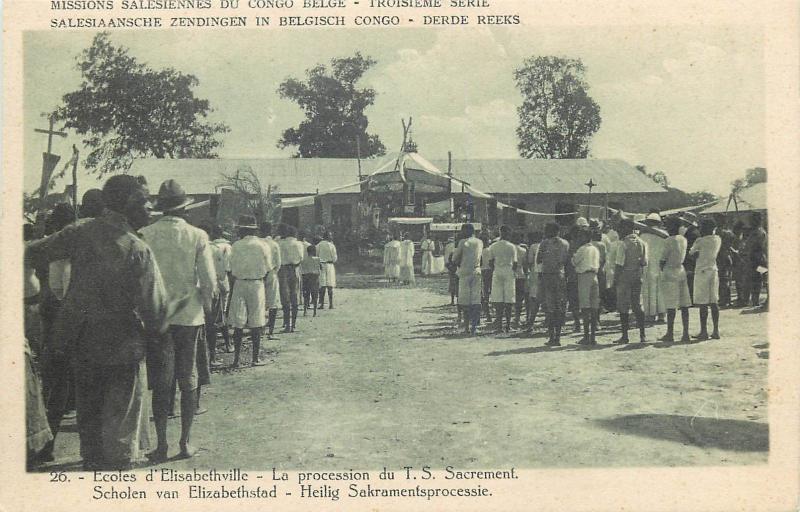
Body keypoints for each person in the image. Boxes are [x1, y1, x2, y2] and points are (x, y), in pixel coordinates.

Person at [25, 175, 170, 470]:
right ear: (129, 204)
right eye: (144, 202)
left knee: (89, 432)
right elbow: (156, 311)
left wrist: (39, 300)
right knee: (120, 438)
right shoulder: (137, 249)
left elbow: (31, 252)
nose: (149, 209)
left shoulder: (79, 233)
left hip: (82, 344)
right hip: (123, 348)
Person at [140, 179, 216, 462]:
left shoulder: (145, 234)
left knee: (161, 381)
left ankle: (161, 444)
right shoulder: (197, 236)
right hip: (188, 315)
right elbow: (208, 281)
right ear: (184, 208)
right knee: (188, 378)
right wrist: (207, 309)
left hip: (158, 317)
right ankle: (185, 442)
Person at [228, 215, 272, 366]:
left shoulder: (235, 245)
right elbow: (268, 268)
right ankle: (255, 358)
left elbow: (230, 268)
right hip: (256, 284)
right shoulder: (263, 245)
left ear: (242, 230)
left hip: (239, 284)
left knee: (238, 323)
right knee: (256, 321)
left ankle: (236, 360)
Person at [613, 218, 648, 344]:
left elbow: (619, 264)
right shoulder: (642, 243)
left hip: (624, 277)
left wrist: (615, 280)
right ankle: (642, 335)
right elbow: (644, 262)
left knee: (623, 306)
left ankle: (625, 336)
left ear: (625, 228)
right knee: (637, 305)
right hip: (637, 276)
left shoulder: (623, 244)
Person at [659, 216, 692, 342]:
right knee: (684, 304)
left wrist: (662, 268)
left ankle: (670, 333)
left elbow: (662, 259)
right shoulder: (683, 239)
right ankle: (685, 333)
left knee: (671, 305)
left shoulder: (668, 240)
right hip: (681, 270)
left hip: (670, 270)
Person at [689, 218, 722, 340]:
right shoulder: (717, 239)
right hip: (713, 270)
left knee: (703, 303)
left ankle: (704, 331)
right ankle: (716, 330)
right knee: (714, 302)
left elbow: (691, 253)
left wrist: (696, 254)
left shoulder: (700, 240)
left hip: (702, 272)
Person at [537, 223, 570, 346]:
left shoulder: (544, 243)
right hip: (560, 276)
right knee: (560, 306)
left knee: (550, 307)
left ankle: (552, 337)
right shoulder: (565, 243)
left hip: (548, 276)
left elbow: (539, 260)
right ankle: (558, 337)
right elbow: (567, 261)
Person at [204, 223, 232, 360]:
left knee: (213, 318)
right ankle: (227, 344)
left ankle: (215, 350)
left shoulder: (211, 247)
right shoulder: (225, 247)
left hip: (208, 285)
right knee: (220, 315)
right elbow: (227, 269)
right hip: (221, 283)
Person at [452, 224, 484, 334]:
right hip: (477, 271)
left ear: (467, 231)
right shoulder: (480, 242)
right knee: (476, 301)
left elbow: (454, 259)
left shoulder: (462, 242)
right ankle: (474, 327)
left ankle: (466, 327)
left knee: (465, 301)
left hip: (465, 272)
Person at [571, 229, 601, 345]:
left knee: (585, 307)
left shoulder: (582, 249)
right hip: (594, 276)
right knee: (594, 308)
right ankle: (593, 336)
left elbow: (574, 262)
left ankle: (586, 336)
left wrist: (573, 255)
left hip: (584, 277)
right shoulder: (595, 249)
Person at [487, 225, 518, 333]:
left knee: (498, 299)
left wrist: (496, 269)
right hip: (508, 271)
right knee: (509, 299)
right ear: (508, 234)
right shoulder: (512, 246)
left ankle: (499, 325)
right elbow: (515, 263)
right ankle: (508, 325)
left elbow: (490, 262)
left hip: (497, 271)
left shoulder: (493, 246)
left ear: (500, 233)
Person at [640, 213, 666, 322]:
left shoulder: (642, 236)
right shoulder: (664, 235)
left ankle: (650, 315)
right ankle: (661, 315)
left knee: (648, 290)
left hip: (647, 266)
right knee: (660, 290)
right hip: (660, 266)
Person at [277, 224, 304, 332]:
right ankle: (294, 325)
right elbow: (301, 258)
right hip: (295, 269)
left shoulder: (280, 244)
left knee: (285, 298)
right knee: (295, 296)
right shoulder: (299, 244)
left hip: (283, 270)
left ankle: (287, 324)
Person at [260, 223, 282, 338]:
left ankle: (261, 330)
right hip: (271, 273)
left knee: (260, 302)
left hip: (258, 275)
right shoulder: (274, 244)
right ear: (271, 231)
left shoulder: (258, 243)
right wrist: (273, 272)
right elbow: (278, 263)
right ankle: (271, 331)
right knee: (273, 303)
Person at [744, 212, 768, 307]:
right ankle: (755, 300)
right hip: (756, 258)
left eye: (752, 220)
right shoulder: (756, 231)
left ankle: (756, 300)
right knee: (756, 279)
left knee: (758, 279)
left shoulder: (758, 232)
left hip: (758, 259)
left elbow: (755, 245)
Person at [525, 231, 543, 331]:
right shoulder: (545, 245)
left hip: (535, 272)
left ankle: (531, 320)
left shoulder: (533, 247)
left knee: (534, 297)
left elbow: (530, 261)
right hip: (544, 272)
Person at [316, 231, 338, 309]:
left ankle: (321, 304)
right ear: (328, 236)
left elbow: (316, 256)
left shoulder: (318, 245)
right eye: (330, 235)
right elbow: (335, 258)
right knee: (330, 285)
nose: (331, 237)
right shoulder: (331, 245)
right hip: (329, 265)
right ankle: (331, 304)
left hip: (321, 265)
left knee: (322, 285)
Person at [717, 226, 736, 308]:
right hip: (728, 258)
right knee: (727, 280)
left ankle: (723, 299)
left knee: (723, 280)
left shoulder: (722, 247)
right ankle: (727, 299)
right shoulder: (729, 247)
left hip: (722, 259)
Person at [301, 245, 321, 316]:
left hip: (306, 278)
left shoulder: (303, 260)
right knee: (315, 295)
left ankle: (305, 311)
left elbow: (302, 270)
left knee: (306, 295)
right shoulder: (317, 259)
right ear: (314, 251)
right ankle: (314, 312)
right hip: (314, 278)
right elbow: (320, 268)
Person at [513, 235, 528, 327]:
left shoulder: (510, 249)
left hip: (511, 274)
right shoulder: (523, 250)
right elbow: (525, 265)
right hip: (520, 274)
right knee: (519, 298)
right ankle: (517, 318)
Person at [480, 233, 494, 323]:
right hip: (490, 271)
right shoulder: (490, 250)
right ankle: (491, 310)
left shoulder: (480, 251)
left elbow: (480, 263)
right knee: (492, 290)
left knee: (485, 292)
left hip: (482, 271)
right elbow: (492, 262)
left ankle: (487, 312)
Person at [444, 236, 458, 304]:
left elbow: (449, 261)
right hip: (457, 269)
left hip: (453, 269)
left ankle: (453, 301)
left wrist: (449, 267)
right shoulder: (459, 250)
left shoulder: (453, 251)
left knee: (453, 285)